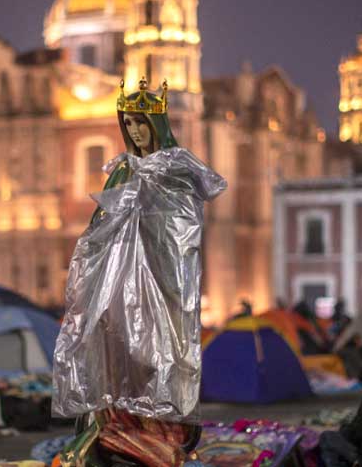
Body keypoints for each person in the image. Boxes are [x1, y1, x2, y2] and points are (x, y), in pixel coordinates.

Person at [52, 78, 226, 467]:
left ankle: (157, 436)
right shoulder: (121, 171)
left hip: (158, 283)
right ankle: (117, 432)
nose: (133, 131)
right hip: (115, 285)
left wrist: (148, 215)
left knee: (156, 357)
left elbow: (182, 229)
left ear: (156, 124)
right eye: (127, 124)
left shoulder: (176, 168)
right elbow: (99, 226)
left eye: (140, 123)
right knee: (117, 359)